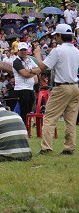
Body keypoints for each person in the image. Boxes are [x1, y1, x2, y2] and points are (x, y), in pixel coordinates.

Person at [31, 23, 79, 155]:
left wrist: (37, 54)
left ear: (59, 35)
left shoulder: (57, 50)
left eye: (55, 36)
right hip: (75, 86)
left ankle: (46, 147)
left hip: (61, 87)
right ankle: (69, 147)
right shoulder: (76, 50)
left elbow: (43, 67)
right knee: (71, 120)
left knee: (49, 118)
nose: (54, 39)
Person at [11, 42, 40, 117]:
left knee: (28, 110)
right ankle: (23, 126)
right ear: (18, 51)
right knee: (24, 110)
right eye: (22, 50)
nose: (23, 52)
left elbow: (39, 69)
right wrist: (34, 72)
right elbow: (25, 74)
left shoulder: (29, 59)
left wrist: (30, 70)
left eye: (25, 50)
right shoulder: (16, 61)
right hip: (21, 88)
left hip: (30, 88)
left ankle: (26, 126)